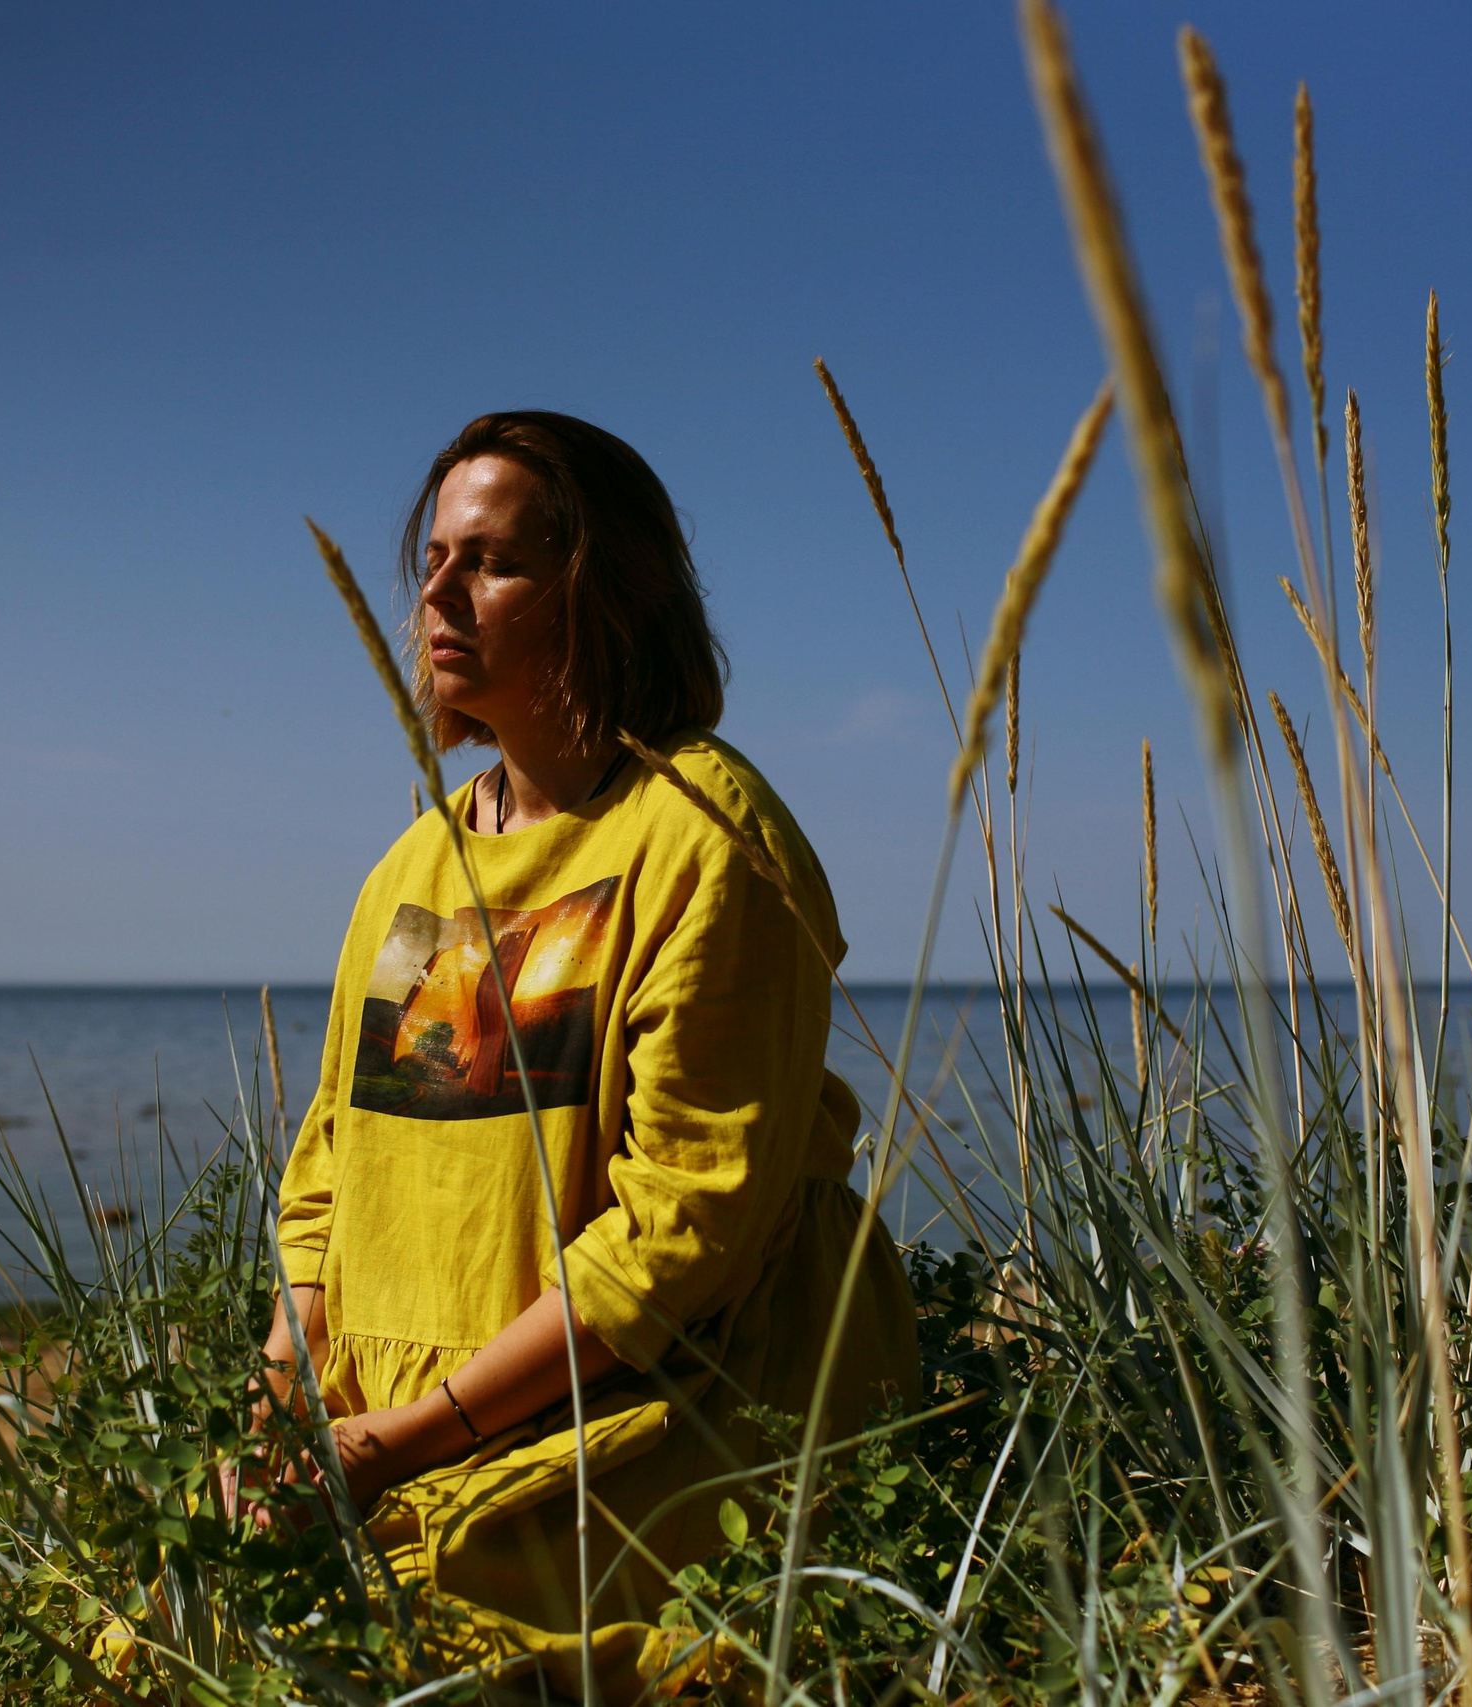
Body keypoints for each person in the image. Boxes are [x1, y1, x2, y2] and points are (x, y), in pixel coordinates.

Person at [266, 410, 920, 1700]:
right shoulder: (413, 867)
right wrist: (284, 1408)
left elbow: (686, 1224)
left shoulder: (706, 838)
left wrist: (410, 1441)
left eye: (494, 562)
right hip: (389, 1427)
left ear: (602, 594)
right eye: (434, 560)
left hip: (647, 1408)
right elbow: (329, 1178)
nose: (438, 595)